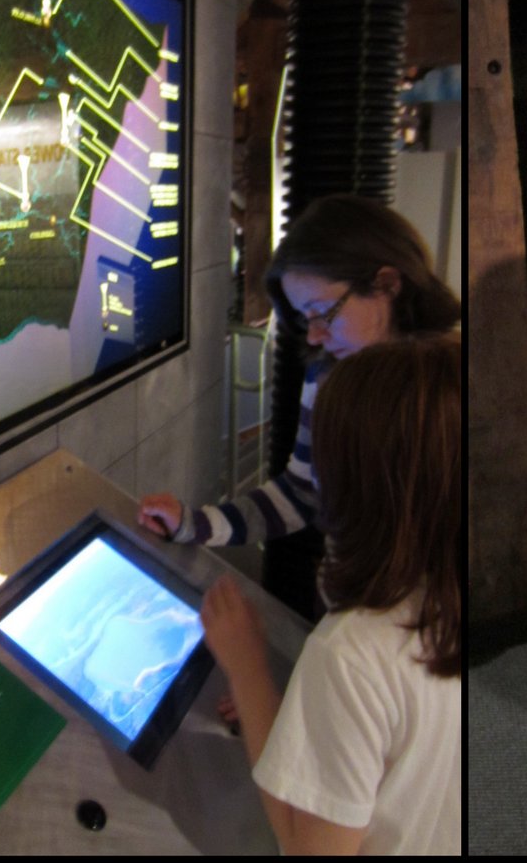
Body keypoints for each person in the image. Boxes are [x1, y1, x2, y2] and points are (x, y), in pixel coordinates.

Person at [137, 194, 460, 622]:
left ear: (387, 284)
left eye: (323, 312)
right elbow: (301, 493)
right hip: (347, 609)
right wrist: (194, 524)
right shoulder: (326, 376)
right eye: (305, 318)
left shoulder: (450, 388)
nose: (313, 336)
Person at [197, 333, 462, 854]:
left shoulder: (348, 653)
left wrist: (247, 668)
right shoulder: (447, 596)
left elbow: (308, 847)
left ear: (351, 485)